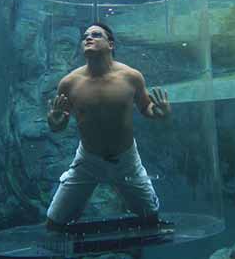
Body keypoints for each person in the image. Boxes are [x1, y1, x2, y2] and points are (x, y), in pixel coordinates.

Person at [45, 22, 171, 232]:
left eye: (96, 34)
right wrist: (55, 122)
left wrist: (158, 112)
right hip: (87, 161)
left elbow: (145, 106)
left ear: (110, 44)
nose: (88, 38)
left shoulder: (131, 77)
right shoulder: (68, 83)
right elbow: (60, 122)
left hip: (126, 159)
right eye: (85, 36)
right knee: (54, 222)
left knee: (151, 219)